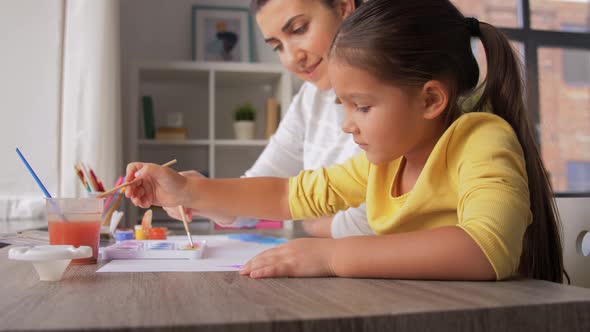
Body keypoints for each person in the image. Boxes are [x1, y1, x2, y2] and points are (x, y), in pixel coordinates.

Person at [125, 0, 566, 282]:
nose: (346, 125)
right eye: (343, 105)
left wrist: (332, 257)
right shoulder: (384, 162)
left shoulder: (481, 140)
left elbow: (483, 250)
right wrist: (189, 189)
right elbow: (285, 194)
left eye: (362, 107)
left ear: (430, 98)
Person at [164, 0, 373, 238]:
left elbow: (379, 221)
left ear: (344, 8)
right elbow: (261, 195)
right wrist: (195, 192)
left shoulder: (396, 94)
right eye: (277, 47)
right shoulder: (310, 97)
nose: (292, 58)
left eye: (299, 29)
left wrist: (312, 223)